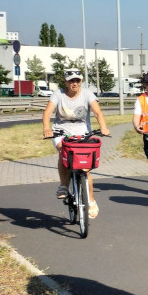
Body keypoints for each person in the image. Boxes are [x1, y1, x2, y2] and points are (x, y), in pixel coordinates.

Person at [41, 68, 111, 218]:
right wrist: (47, 128)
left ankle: (91, 200)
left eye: (77, 80)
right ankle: (64, 186)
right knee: (63, 151)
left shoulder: (87, 94)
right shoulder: (58, 94)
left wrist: (103, 127)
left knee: (85, 167)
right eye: (71, 80)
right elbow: (47, 113)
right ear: (65, 81)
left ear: (81, 81)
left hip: (82, 132)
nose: (74, 83)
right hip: (61, 131)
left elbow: (98, 112)